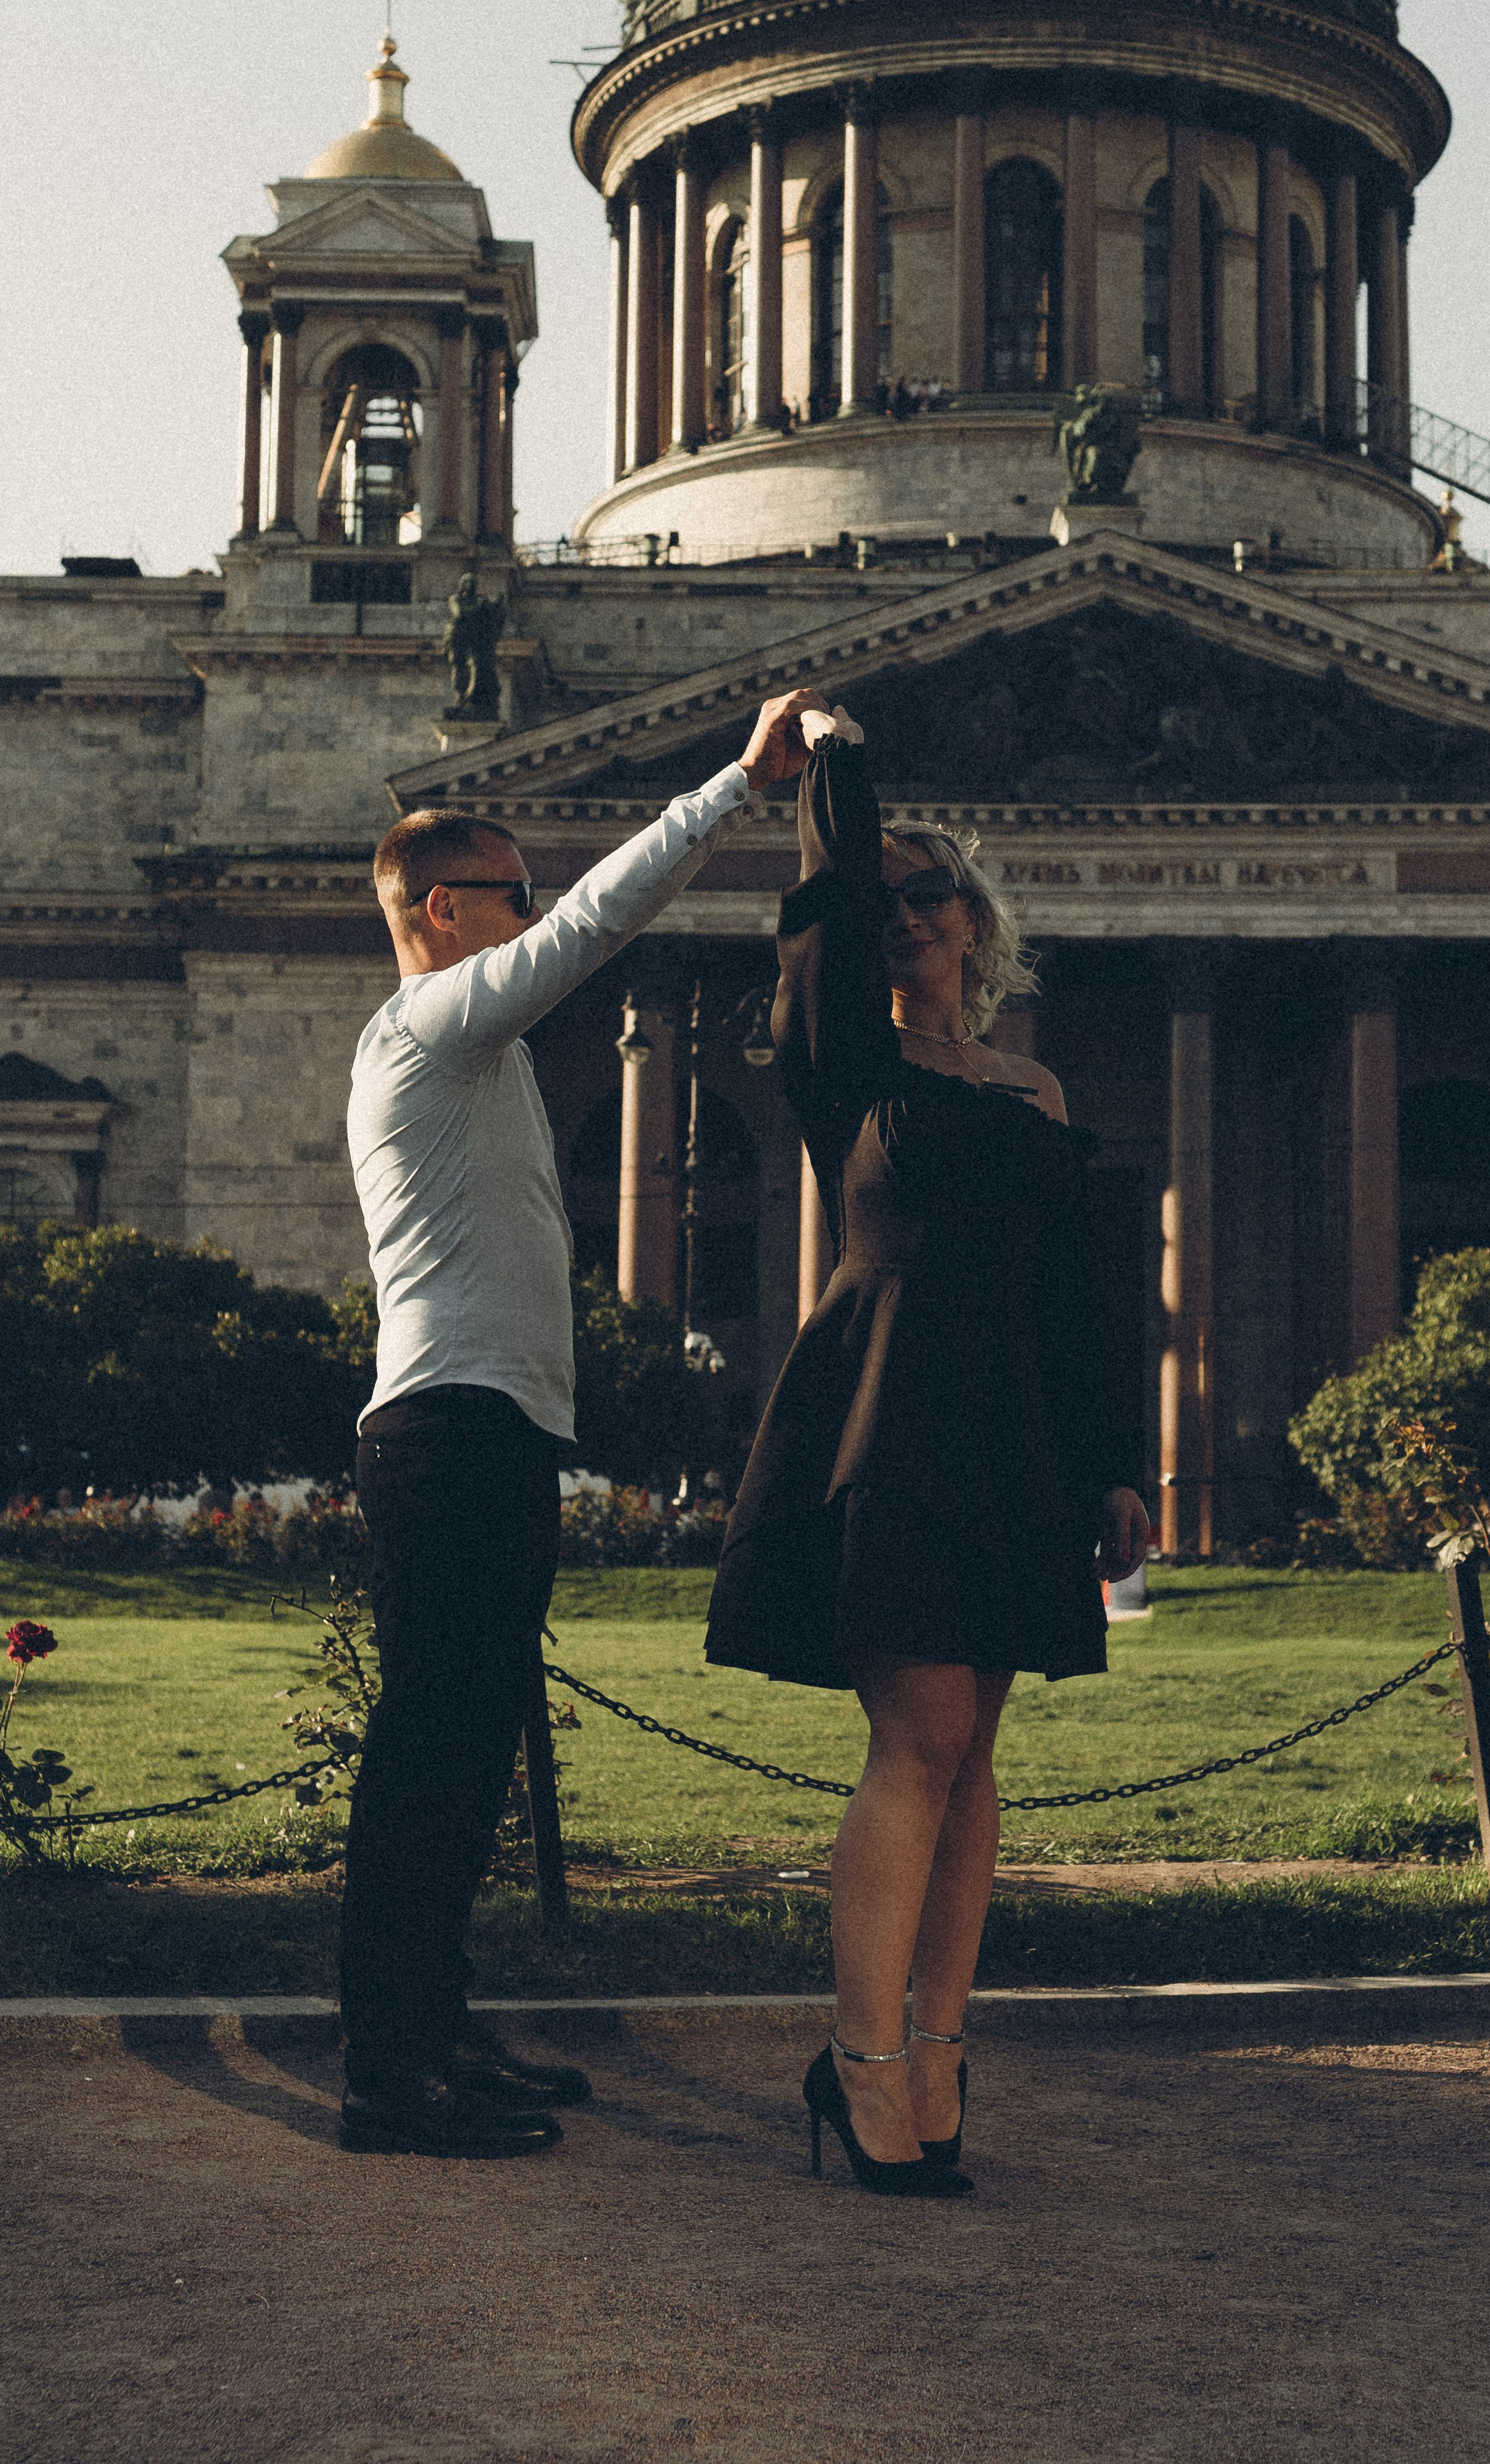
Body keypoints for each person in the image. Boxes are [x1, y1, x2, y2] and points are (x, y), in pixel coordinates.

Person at [339, 687, 828, 2159]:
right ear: (439, 909)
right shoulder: (431, 1023)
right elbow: (594, 932)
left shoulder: (452, 1053)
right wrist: (733, 789)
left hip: (486, 1426)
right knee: (430, 1754)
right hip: (448, 1430)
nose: (531, 913)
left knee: (470, 1747)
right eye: (509, 894)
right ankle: (386, 2074)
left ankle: (437, 2029)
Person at [705, 710, 1149, 2198]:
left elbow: (1080, 1295)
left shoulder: (1034, 1093)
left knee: (975, 1757)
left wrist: (1116, 1464)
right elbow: (825, 917)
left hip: (1013, 1427)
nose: (900, 914)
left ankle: (941, 2048)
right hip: (884, 1412)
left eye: (926, 894)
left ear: (974, 922)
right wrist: (837, 769)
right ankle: (862, 2061)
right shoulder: (837, 1061)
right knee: (917, 1737)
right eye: (880, 896)